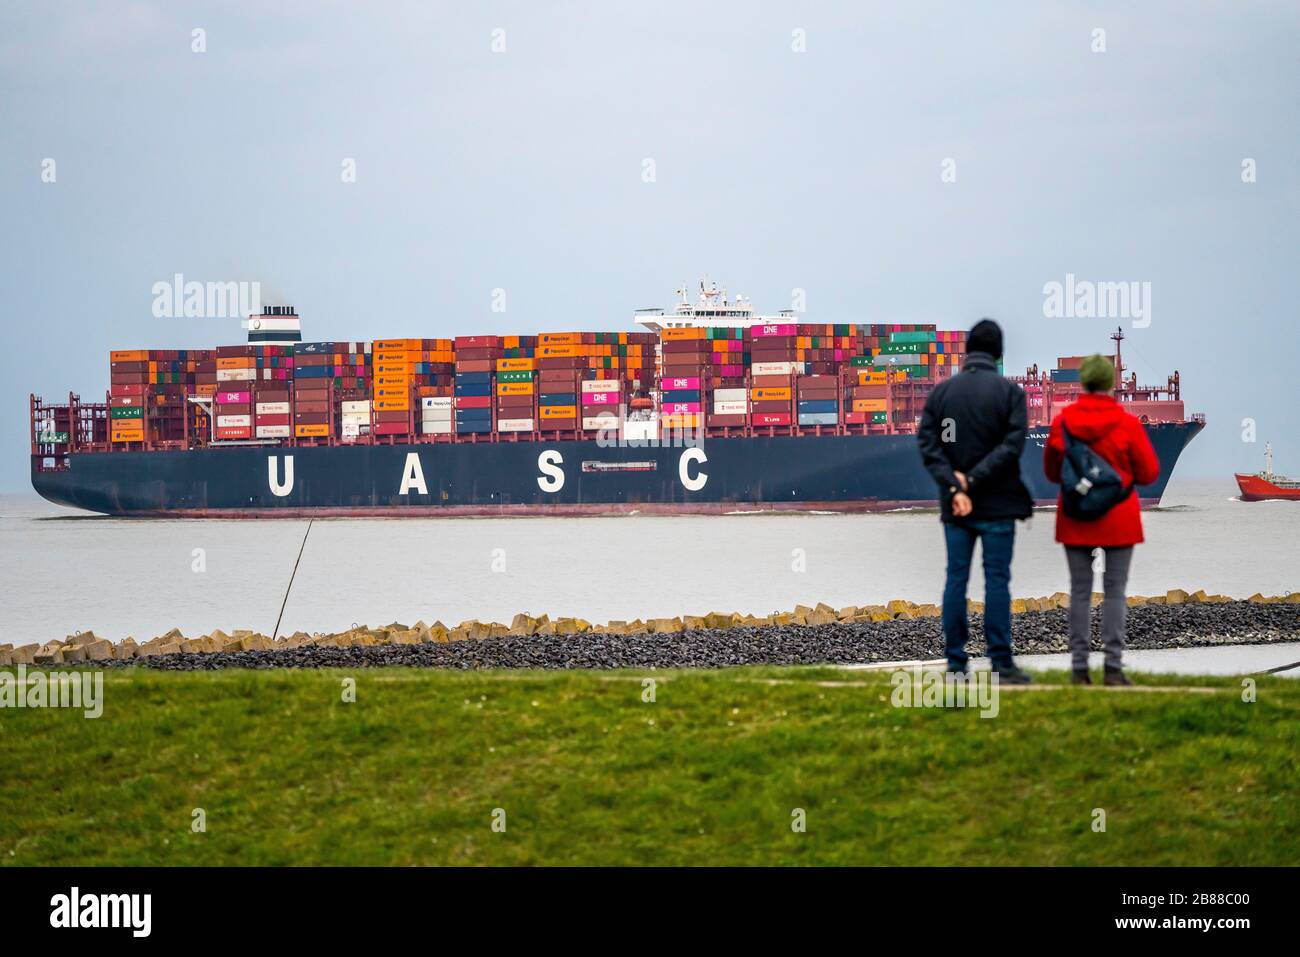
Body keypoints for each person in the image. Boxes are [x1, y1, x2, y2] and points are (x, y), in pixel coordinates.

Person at [918, 318, 1034, 683]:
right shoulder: (1010, 394)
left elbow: (928, 445)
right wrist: (974, 480)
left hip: (957, 507)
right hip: (998, 504)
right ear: (998, 352)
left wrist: (955, 487)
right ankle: (1001, 664)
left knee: (956, 580)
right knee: (997, 580)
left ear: (968, 350)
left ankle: (956, 665)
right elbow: (1011, 447)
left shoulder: (942, 394)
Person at [1043, 354, 1159, 686]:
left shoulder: (1062, 422)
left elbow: (1052, 472)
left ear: (1083, 382)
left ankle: (1079, 670)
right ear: (1111, 383)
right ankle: (1113, 669)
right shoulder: (1128, 423)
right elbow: (1149, 473)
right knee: (1115, 592)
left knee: (1080, 592)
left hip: (1075, 517)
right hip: (1119, 518)